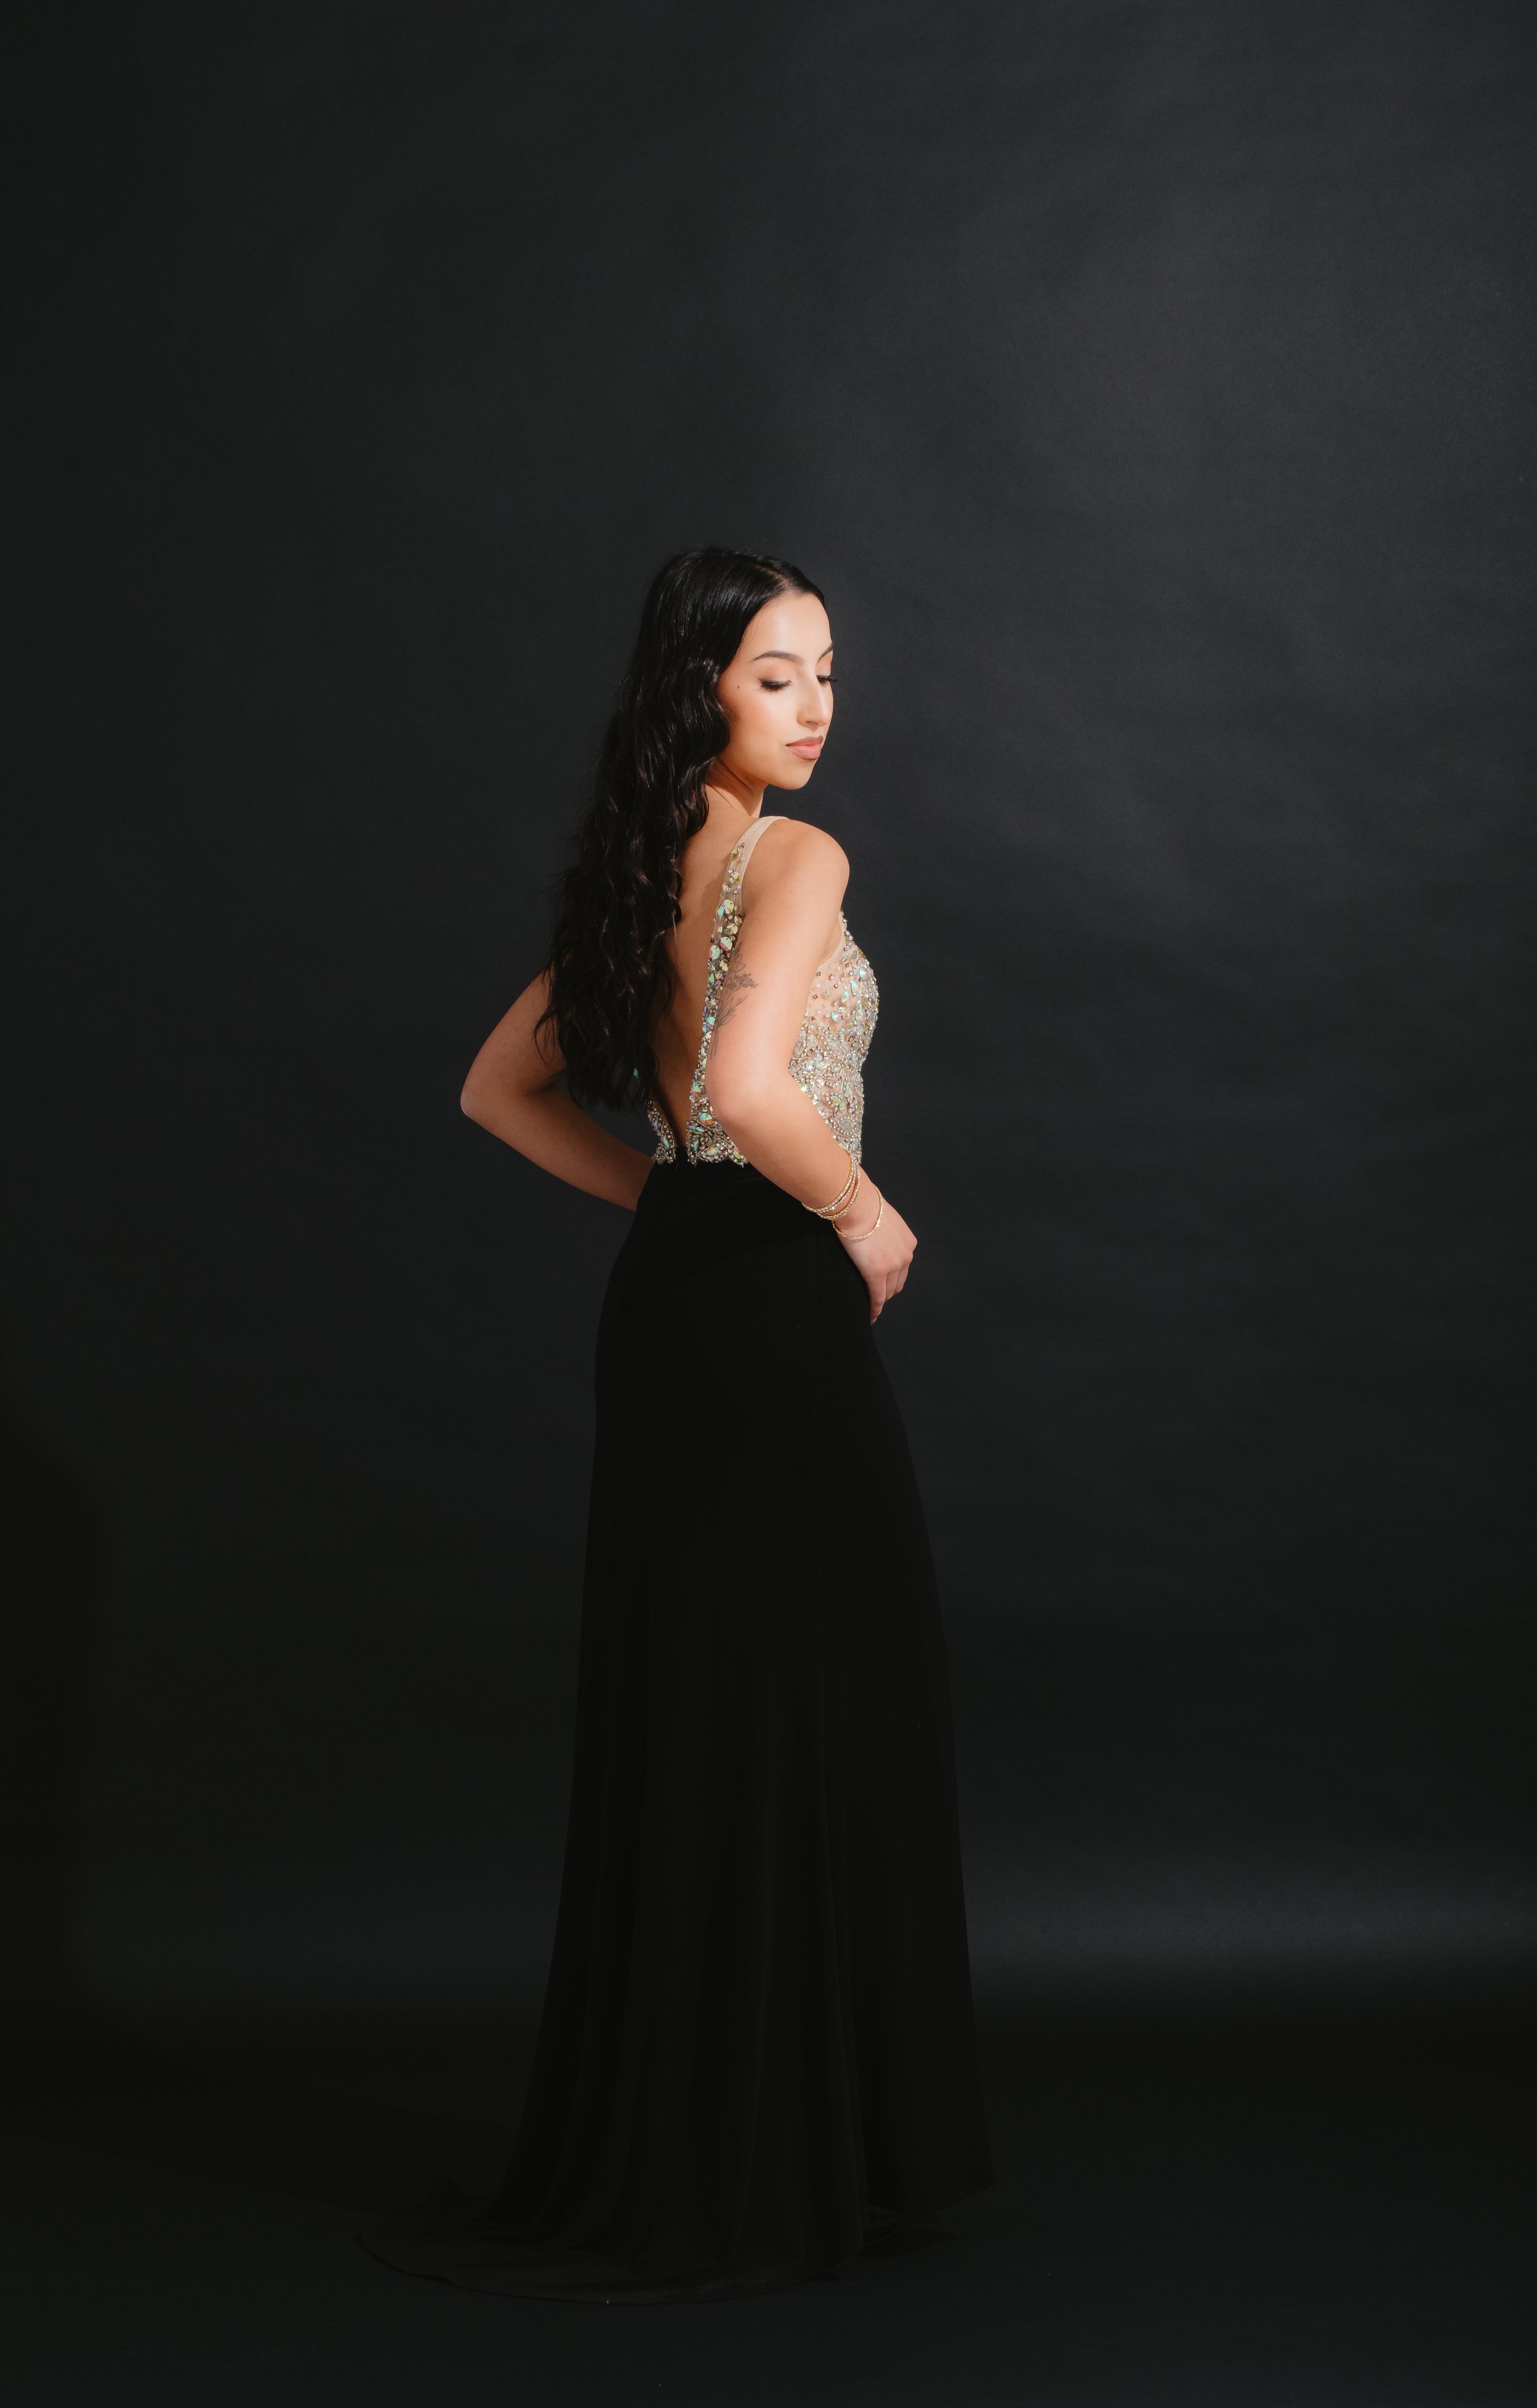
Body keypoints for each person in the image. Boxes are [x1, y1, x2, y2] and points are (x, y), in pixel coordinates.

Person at [360, 547, 994, 2301]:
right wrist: (862, 1213)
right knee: (825, 1689)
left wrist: (666, 1203)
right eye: (777, 675)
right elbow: (741, 1088)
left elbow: (497, 1091)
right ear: (695, 688)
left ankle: (704, 2141)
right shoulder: (797, 858)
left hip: (674, 1302)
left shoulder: (640, 873)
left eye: (827, 672)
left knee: (710, 1701)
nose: (815, 707)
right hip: (772, 1295)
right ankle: (806, 2147)